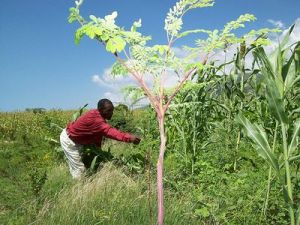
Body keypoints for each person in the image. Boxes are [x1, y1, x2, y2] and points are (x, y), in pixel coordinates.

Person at [60, 99, 141, 179]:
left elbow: (97, 136)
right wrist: (130, 138)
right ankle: (79, 187)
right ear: (101, 110)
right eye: (109, 110)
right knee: (79, 170)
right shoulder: (97, 120)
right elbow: (110, 132)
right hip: (69, 141)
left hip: (77, 140)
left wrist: (98, 151)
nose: (111, 113)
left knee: (80, 165)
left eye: (112, 110)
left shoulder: (96, 114)